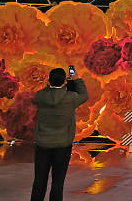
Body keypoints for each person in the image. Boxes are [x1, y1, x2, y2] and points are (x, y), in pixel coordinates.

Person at [30, 68, 88, 201]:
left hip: (43, 145)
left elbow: (45, 92)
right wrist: (77, 80)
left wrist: (51, 86)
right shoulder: (71, 98)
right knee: (58, 182)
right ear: (64, 82)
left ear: (49, 81)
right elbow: (84, 95)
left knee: (39, 180)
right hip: (63, 145)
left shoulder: (39, 96)